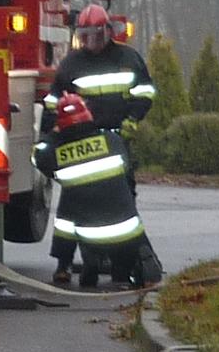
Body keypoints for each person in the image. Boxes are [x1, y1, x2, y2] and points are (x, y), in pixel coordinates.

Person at [40, 4, 155, 284]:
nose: (90, 41)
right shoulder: (71, 64)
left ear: (107, 30)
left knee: (123, 198)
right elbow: (54, 102)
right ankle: (64, 263)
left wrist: (132, 119)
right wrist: (48, 135)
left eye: (95, 34)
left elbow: (145, 91)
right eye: (84, 35)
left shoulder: (128, 57)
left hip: (117, 137)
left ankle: (122, 260)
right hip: (84, 142)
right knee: (72, 203)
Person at [36, 93, 151, 290]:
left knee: (69, 202)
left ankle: (66, 266)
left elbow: (38, 157)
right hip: (127, 232)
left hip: (89, 236)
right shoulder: (113, 141)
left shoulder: (59, 154)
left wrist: (54, 134)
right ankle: (128, 269)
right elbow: (126, 169)